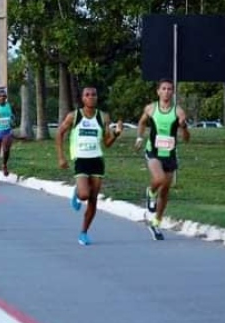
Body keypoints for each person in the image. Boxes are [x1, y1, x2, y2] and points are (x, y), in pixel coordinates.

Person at [56, 86, 122, 246]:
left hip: (97, 160)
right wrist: (61, 157)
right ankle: (77, 191)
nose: (91, 97)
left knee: (93, 199)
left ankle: (84, 232)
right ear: (82, 98)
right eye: (87, 94)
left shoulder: (103, 117)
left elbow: (107, 143)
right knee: (85, 194)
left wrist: (116, 135)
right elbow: (59, 133)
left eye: (94, 94)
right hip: (81, 159)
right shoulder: (74, 116)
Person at [135, 78, 190, 240]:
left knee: (165, 190)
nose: (167, 92)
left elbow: (186, 138)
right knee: (158, 178)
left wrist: (184, 127)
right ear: (158, 91)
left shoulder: (178, 112)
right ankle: (150, 192)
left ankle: (156, 223)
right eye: (164, 89)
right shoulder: (151, 108)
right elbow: (142, 122)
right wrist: (139, 138)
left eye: (170, 89)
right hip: (153, 151)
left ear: (173, 92)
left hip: (170, 154)